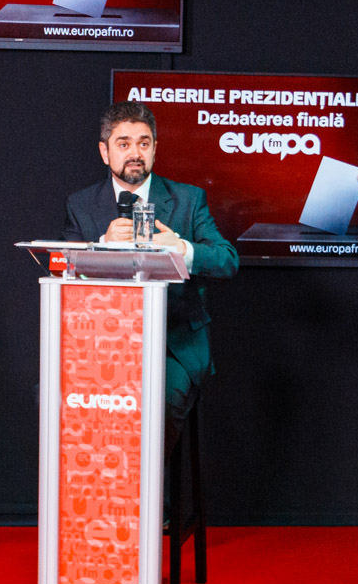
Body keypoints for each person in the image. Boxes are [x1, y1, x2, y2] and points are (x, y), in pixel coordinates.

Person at [61, 101, 237, 426]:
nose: (135, 153)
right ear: (104, 152)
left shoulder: (188, 200)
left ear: (155, 148)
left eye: (144, 143)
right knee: (56, 399)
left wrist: (181, 248)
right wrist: (101, 245)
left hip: (172, 344)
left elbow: (226, 261)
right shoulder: (81, 205)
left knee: (155, 411)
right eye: (123, 144)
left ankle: (148, 464)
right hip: (101, 343)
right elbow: (63, 269)